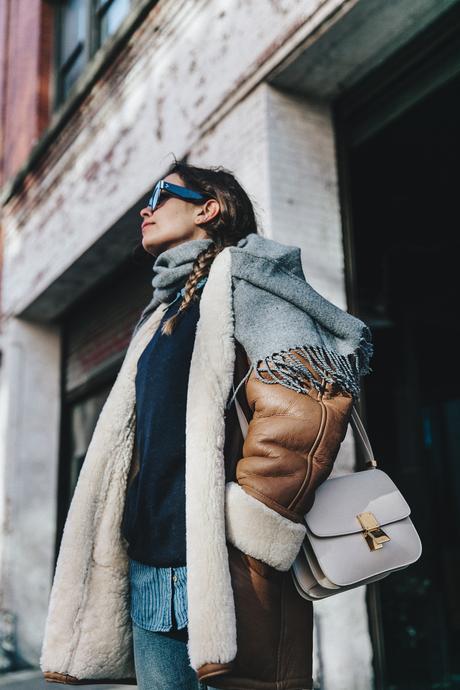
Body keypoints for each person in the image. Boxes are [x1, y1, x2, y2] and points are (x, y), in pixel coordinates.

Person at [40, 160, 373, 690]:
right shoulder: (161, 310)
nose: (146, 211)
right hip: (150, 567)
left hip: (223, 568)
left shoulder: (249, 283)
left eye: (160, 195)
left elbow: (308, 402)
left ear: (209, 208)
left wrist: (249, 525)